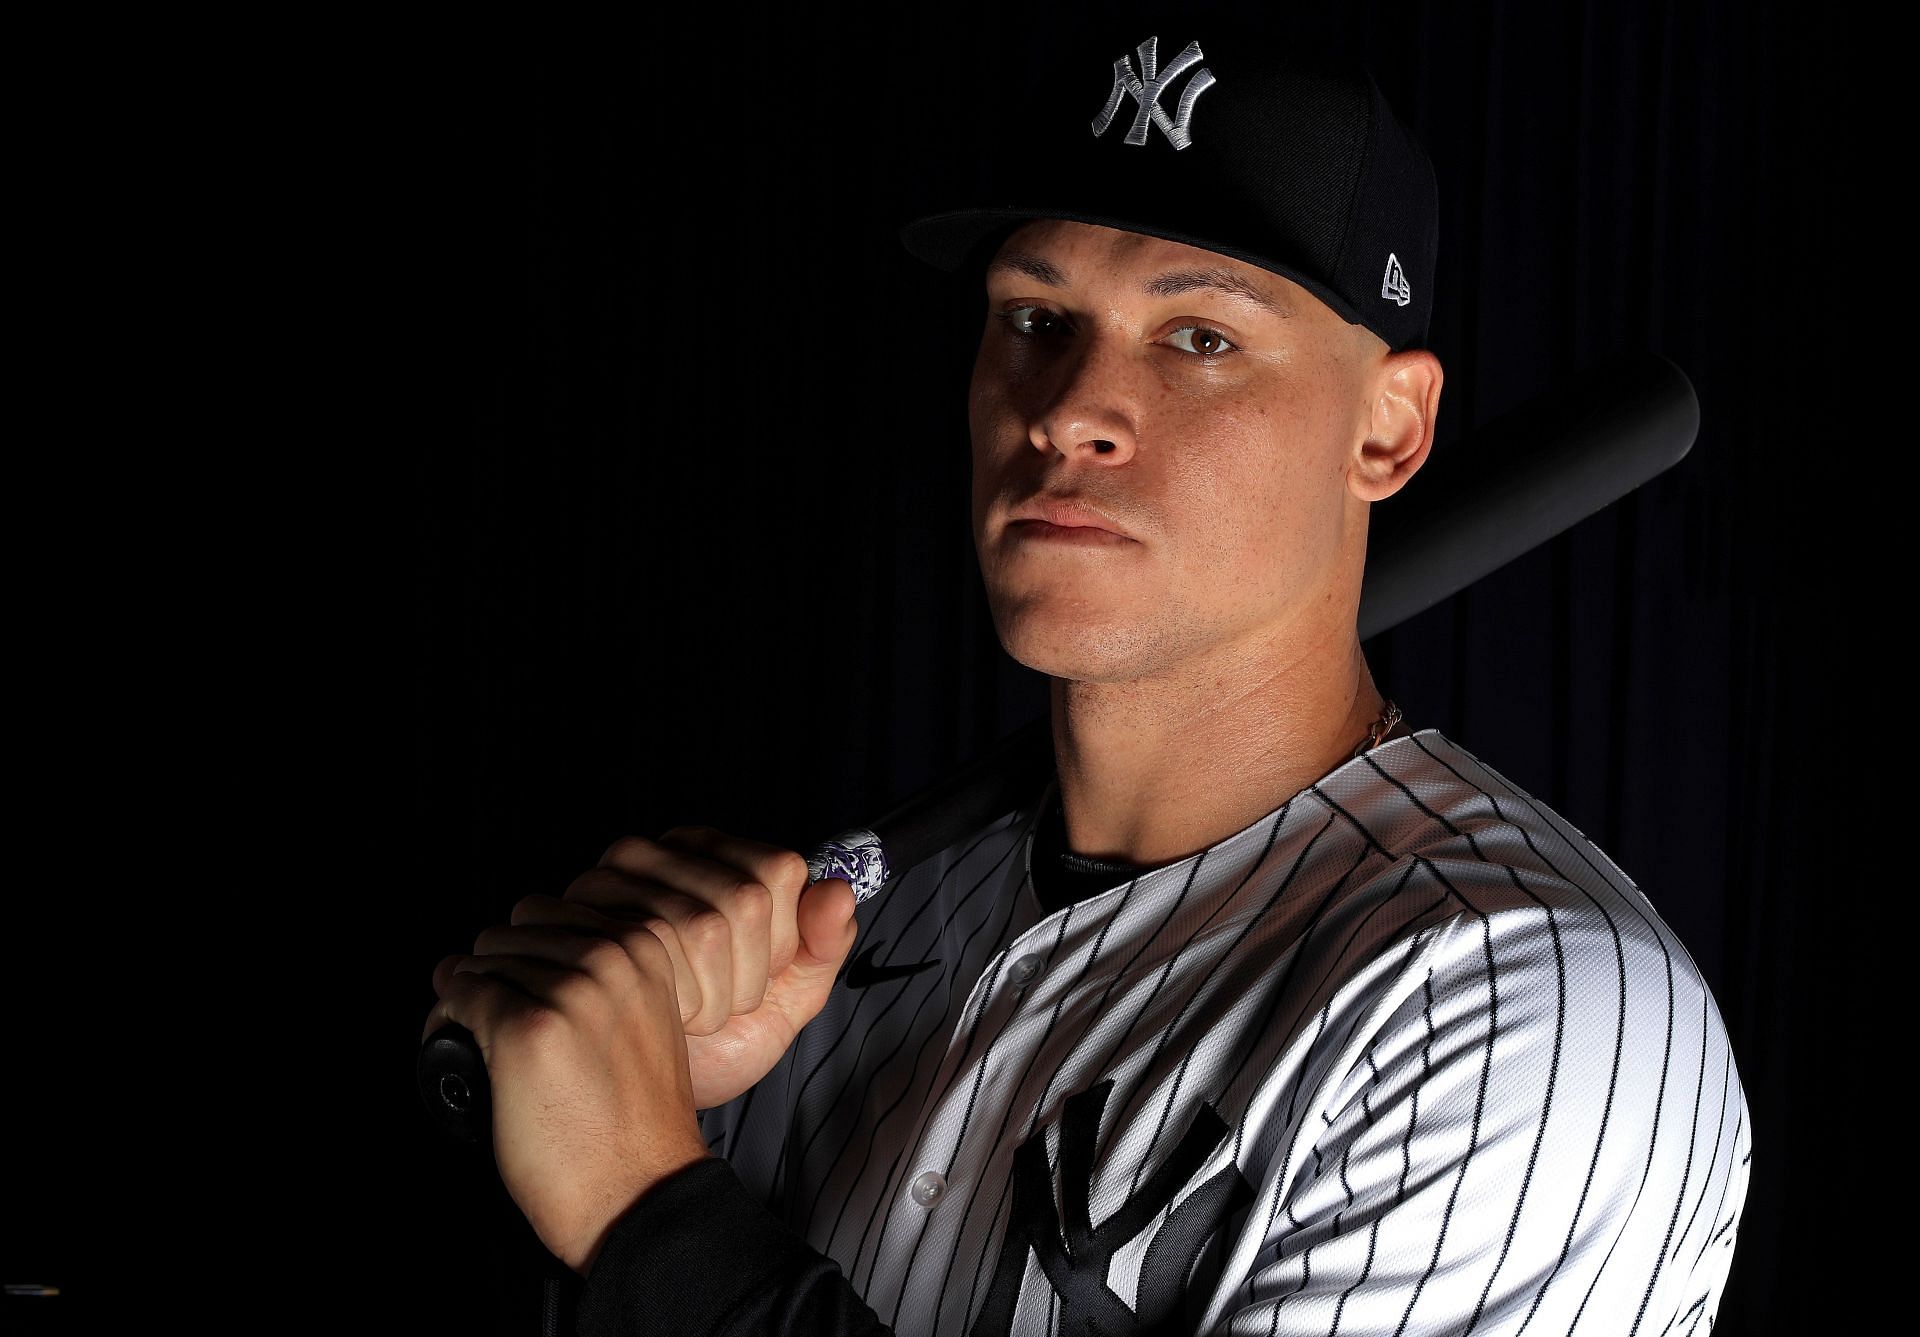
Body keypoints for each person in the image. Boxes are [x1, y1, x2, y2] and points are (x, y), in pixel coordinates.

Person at [422, 18, 1753, 1336]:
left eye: (1200, 337)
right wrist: (635, 1112)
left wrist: (643, 1201)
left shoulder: (1520, 1007)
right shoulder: (840, 956)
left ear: (1388, 428)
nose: (1068, 408)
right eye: (1036, 315)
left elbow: (664, 1243)